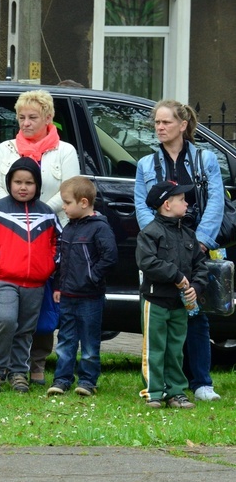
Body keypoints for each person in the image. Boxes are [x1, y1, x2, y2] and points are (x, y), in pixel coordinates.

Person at [0, 89, 80, 386]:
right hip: (11, 236)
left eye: (32, 118)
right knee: (10, 312)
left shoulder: (64, 151)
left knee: (42, 309)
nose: (25, 123)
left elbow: (68, 192)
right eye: (21, 118)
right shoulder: (6, 148)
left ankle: (35, 363)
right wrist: (15, 214)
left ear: (48, 118)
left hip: (50, 230)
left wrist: (39, 213)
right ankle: (4, 367)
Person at [133, 99, 222, 402]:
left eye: (166, 122)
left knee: (194, 311)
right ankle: (160, 386)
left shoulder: (205, 159)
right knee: (159, 319)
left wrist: (198, 242)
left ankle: (201, 382)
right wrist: (160, 243)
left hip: (196, 243)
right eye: (156, 123)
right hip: (161, 249)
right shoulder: (146, 164)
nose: (159, 127)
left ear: (182, 126)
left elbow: (216, 204)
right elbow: (143, 208)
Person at [0, 158, 61, 393]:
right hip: (4, 280)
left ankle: (19, 372)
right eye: (18, 182)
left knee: (25, 329)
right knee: (5, 320)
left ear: (38, 185)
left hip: (36, 284)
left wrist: (50, 264)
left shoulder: (47, 214)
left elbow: (59, 243)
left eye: (29, 183)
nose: (23, 187)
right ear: (9, 183)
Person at [136, 181, 208, 409]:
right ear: (167, 204)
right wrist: (175, 275)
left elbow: (201, 265)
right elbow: (147, 262)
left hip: (180, 304)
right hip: (155, 301)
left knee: (176, 350)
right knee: (154, 349)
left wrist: (195, 287)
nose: (187, 203)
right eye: (182, 199)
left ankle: (176, 392)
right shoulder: (149, 233)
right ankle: (154, 393)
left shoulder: (188, 234)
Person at [46, 176, 117, 397]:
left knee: (89, 341)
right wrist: (59, 285)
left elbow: (110, 257)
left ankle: (88, 381)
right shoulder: (68, 228)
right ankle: (62, 379)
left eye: (67, 203)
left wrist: (92, 277)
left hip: (90, 296)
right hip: (67, 295)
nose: (64, 207)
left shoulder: (99, 228)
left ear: (83, 202)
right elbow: (62, 260)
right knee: (66, 339)